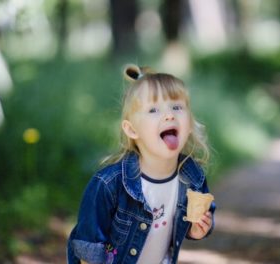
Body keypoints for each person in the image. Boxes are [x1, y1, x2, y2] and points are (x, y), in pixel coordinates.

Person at [67, 64, 216, 264]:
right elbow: (89, 246)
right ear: (132, 130)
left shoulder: (192, 177)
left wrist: (198, 229)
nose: (169, 115)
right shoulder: (109, 184)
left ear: (189, 123)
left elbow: (195, 222)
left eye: (177, 107)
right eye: (154, 110)